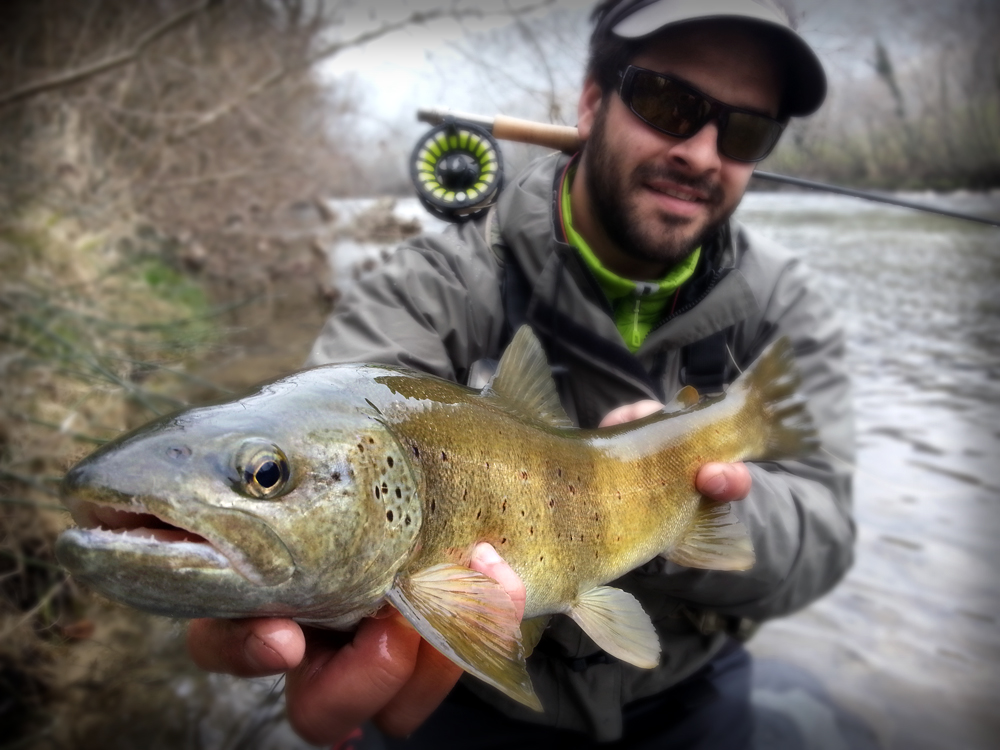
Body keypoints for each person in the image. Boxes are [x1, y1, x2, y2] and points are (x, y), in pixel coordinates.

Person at [188, 0, 855, 747]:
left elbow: (825, 538)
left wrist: (688, 504)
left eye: (745, 131)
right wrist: (311, 601)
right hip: (465, 693)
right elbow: (331, 425)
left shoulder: (785, 304)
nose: (701, 154)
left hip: (685, 688)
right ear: (593, 103)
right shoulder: (427, 287)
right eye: (667, 104)